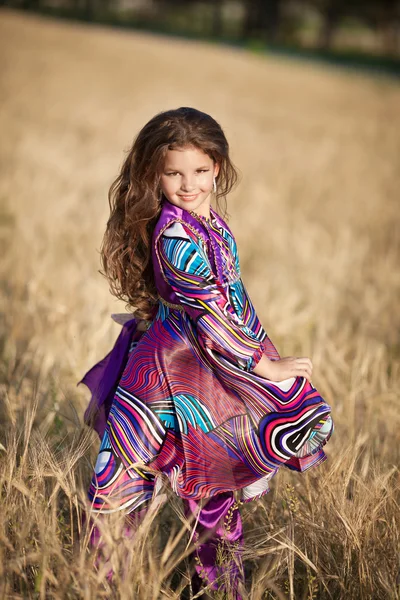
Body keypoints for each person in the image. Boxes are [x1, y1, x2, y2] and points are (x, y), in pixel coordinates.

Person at [78, 106, 334, 598]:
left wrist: (260, 354)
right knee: (124, 488)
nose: (188, 183)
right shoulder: (174, 233)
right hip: (166, 375)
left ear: (218, 166)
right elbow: (209, 312)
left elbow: (235, 300)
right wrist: (263, 365)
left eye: (199, 171)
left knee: (213, 491)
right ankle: (99, 586)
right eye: (173, 173)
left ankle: (217, 588)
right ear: (154, 174)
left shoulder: (212, 223)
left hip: (208, 371)